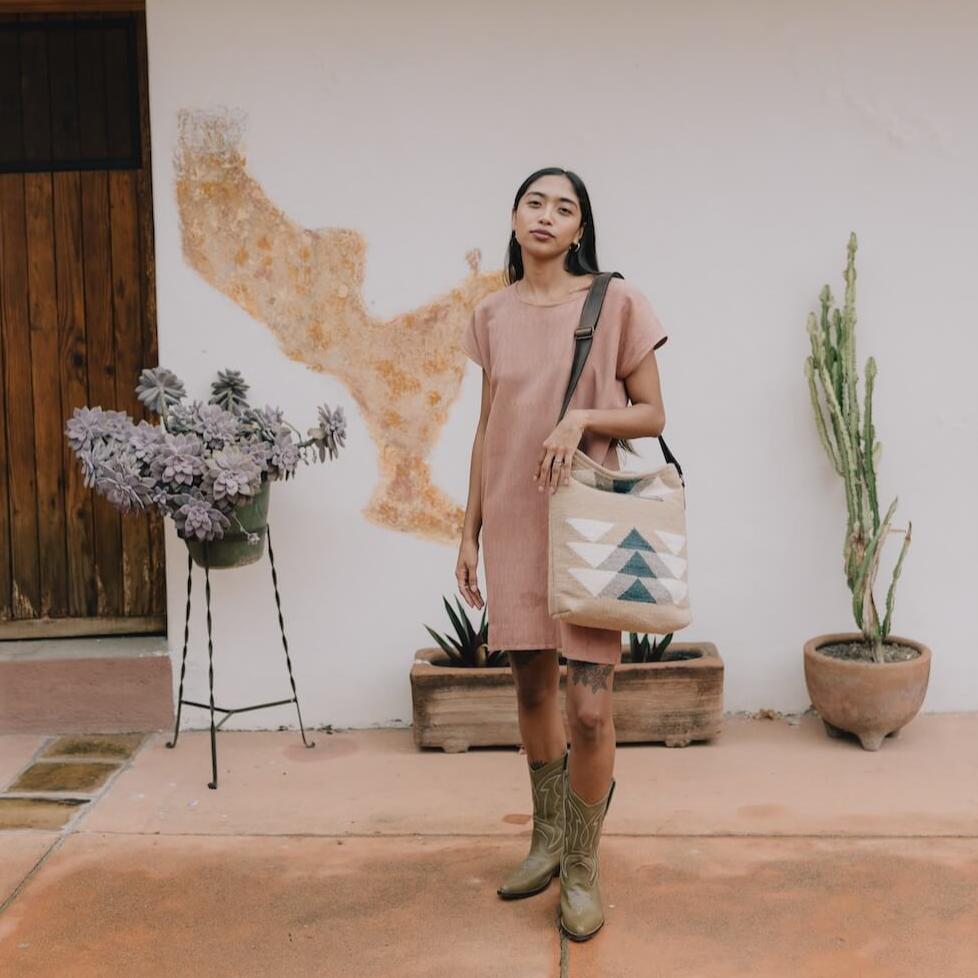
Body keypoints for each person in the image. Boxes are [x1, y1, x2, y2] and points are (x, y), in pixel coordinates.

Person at [455, 167, 669, 941]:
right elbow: (488, 426)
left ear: (581, 229)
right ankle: (545, 837)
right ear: (514, 219)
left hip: (587, 525)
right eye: (535, 202)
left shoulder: (615, 302)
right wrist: (468, 528)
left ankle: (582, 866)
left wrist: (581, 417)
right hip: (513, 515)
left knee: (588, 705)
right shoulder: (491, 313)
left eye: (565, 207)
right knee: (532, 692)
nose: (547, 216)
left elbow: (652, 411)